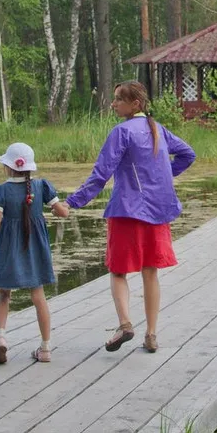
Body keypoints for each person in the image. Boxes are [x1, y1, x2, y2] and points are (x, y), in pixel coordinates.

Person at [59, 80, 196, 354]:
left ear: (135, 104)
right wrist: (163, 176)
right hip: (157, 213)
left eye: (118, 99)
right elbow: (187, 154)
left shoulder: (121, 132)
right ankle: (152, 334)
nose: (113, 104)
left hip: (126, 211)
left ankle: (125, 324)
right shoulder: (158, 130)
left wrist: (72, 202)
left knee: (118, 271)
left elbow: (101, 173)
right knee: (150, 271)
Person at [0, 141, 69, 365]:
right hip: (36, 247)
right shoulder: (42, 187)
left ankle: (1, 338)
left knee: (4, 293)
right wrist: (67, 207)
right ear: (30, 167)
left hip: (8, 247)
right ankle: (45, 348)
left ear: (8, 167)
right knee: (38, 295)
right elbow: (62, 213)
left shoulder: (0, 190)